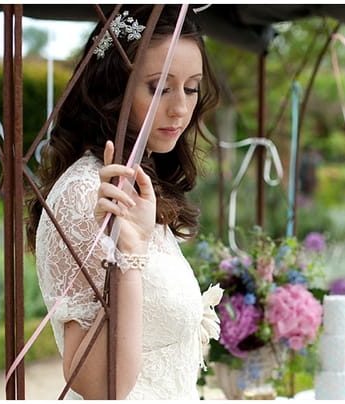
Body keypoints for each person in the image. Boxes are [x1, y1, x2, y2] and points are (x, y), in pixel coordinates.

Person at [26, 5, 222, 400]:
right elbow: (97, 386)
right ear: (112, 87)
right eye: (160, 87)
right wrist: (130, 257)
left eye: (191, 87)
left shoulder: (130, 183)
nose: (180, 108)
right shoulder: (88, 193)